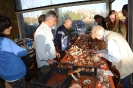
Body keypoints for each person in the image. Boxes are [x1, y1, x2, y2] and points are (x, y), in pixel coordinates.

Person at [0, 15, 28, 88]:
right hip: (15, 74)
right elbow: (23, 52)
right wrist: (22, 47)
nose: (11, 27)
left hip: (4, 73)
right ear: (1, 28)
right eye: (8, 26)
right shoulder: (5, 42)